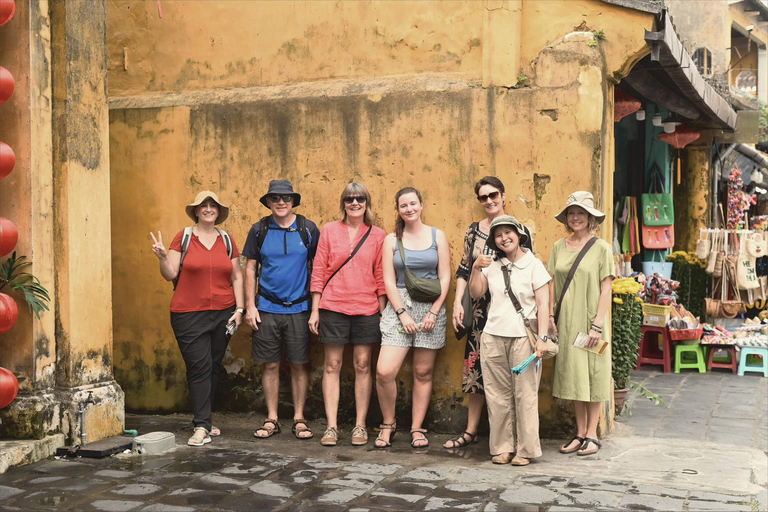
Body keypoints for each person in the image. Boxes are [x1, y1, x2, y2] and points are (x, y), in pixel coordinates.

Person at [150, 191, 244, 447]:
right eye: (203, 205)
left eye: (213, 205)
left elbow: (236, 276)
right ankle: (201, 425)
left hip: (224, 313)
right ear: (196, 211)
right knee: (199, 367)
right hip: (188, 313)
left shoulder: (227, 239)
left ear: (218, 212)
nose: (208, 208)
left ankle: (206, 419)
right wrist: (161, 257)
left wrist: (240, 309)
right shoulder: (185, 236)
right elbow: (170, 274)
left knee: (212, 366)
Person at [447, 176, 533, 450]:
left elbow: (527, 267)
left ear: (504, 194)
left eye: (493, 194)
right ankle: (472, 430)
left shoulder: (518, 229)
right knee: (476, 371)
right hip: (479, 310)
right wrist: (457, 302)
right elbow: (463, 268)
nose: (489, 201)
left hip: (508, 310)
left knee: (512, 376)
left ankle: (514, 438)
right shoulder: (474, 231)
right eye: (483, 197)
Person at [309, 183, 387, 447]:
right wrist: (315, 309)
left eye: (360, 198)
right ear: (343, 203)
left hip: (366, 308)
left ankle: (360, 424)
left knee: (363, 365)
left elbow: (380, 275)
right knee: (332, 366)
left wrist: (384, 311)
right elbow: (319, 269)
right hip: (333, 306)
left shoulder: (378, 235)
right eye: (350, 199)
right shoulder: (330, 230)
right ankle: (331, 426)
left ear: (367, 202)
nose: (355, 203)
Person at [469, 215, 550, 466]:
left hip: (523, 338)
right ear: (494, 240)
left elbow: (543, 303)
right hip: (493, 336)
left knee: (525, 395)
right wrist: (475, 268)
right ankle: (503, 447)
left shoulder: (534, 264)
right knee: (497, 395)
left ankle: (525, 450)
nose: (504, 238)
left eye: (508, 232)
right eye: (498, 234)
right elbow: (476, 293)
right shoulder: (491, 264)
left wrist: (543, 338)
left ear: (519, 234)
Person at [242, 180, 320, 441]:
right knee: (271, 364)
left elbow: (319, 268)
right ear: (268, 202)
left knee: (299, 365)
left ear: (293, 201)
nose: (281, 202)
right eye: (275, 198)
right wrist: (250, 307)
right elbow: (250, 269)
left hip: (299, 308)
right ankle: (272, 418)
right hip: (266, 308)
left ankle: (299, 418)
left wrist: (316, 309)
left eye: (286, 197)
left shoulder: (307, 229)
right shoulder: (259, 229)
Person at [375, 187, 451, 449]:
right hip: (400, 308)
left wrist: (434, 311)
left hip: (431, 309)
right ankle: (388, 423)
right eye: (403, 205)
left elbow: (445, 277)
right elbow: (388, 280)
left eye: (413, 204)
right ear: (398, 209)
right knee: (384, 371)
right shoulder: (390, 240)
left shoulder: (437, 236)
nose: (409, 209)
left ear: (421, 205)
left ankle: (417, 428)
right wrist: (401, 313)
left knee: (423, 371)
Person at [547, 191, 614, 457]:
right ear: (567, 218)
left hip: (592, 322)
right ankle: (579, 432)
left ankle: (592, 434)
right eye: (572, 213)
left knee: (594, 372)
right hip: (567, 322)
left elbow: (606, 288)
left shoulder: (602, 248)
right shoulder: (557, 246)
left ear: (590, 218)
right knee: (574, 373)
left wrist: (598, 324)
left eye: (581, 213)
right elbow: (552, 283)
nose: (576, 218)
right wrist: (551, 318)